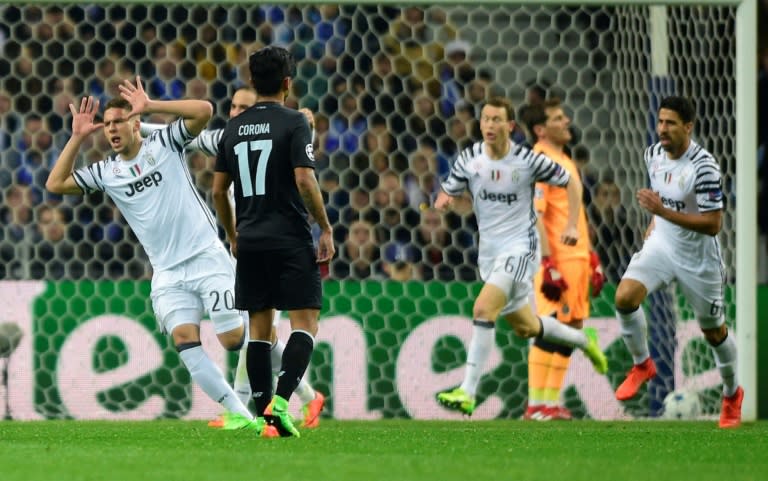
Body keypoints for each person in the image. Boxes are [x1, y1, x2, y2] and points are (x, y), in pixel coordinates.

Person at [44, 79, 261, 431]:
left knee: (233, 340)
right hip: (168, 274)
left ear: (135, 123)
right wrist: (78, 137)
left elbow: (204, 111)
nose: (112, 129)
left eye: (119, 121)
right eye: (108, 124)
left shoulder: (165, 143)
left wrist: (152, 104)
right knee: (184, 341)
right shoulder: (107, 172)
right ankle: (240, 413)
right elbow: (55, 184)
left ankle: (269, 337)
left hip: (206, 256)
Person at [141, 85, 326, 430]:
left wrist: (310, 130)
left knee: (251, 329)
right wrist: (134, 125)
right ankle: (306, 396)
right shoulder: (228, 137)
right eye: (234, 106)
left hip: (274, 242)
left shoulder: (276, 133)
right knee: (256, 330)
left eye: (245, 106)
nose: (237, 112)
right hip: (243, 244)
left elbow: (300, 162)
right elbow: (180, 137)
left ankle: (249, 406)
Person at [434, 97, 607, 416]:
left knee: (483, 308)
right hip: (490, 253)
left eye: (497, 119)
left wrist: (571, 226)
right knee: (528, 326)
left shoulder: (528, 160)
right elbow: (455, 196)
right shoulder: (470, 159)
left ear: (510, 126)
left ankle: (467, 391)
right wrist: (446, 202)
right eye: (486, 119)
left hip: (521, 249)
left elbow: (570, 182)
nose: (490, 125)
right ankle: (584, 341)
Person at [212, 46, 334, 437]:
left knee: (259, 331)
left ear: (251, 81)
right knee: (305, 323)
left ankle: (267, 416)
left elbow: (218, 191)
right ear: (287, 83)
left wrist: (233, 235)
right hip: (289, 238)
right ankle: (282, 403)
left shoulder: (232, 128)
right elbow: (304, 178)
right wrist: (325, 227)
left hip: (249, 241)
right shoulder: (295, 121)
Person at [613, 96, 743, 429]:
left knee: (713, 333)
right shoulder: (653, 154)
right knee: (625, 298)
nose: (662, 130)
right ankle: (642, 365)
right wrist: (654, 226)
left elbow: (713, 224)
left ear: (688, 127)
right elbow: (663, 194)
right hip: (662, 246)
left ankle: (731, 394)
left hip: (699, 261)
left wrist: (661, 213)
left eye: (670, 123)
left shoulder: (704, 167)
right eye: (660, 122)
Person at [522, 99, 606, 421]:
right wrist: (547, 263)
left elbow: (569, 215)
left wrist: (590, 255)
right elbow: (536, 215)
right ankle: (535, 405)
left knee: (570, 327)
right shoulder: (541, 161)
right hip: (556, 260)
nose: (567, 120)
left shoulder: (562, 159)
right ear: (540, 129)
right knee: (552, 328)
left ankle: (549, 403)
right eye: (558, 118)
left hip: (574, 258)